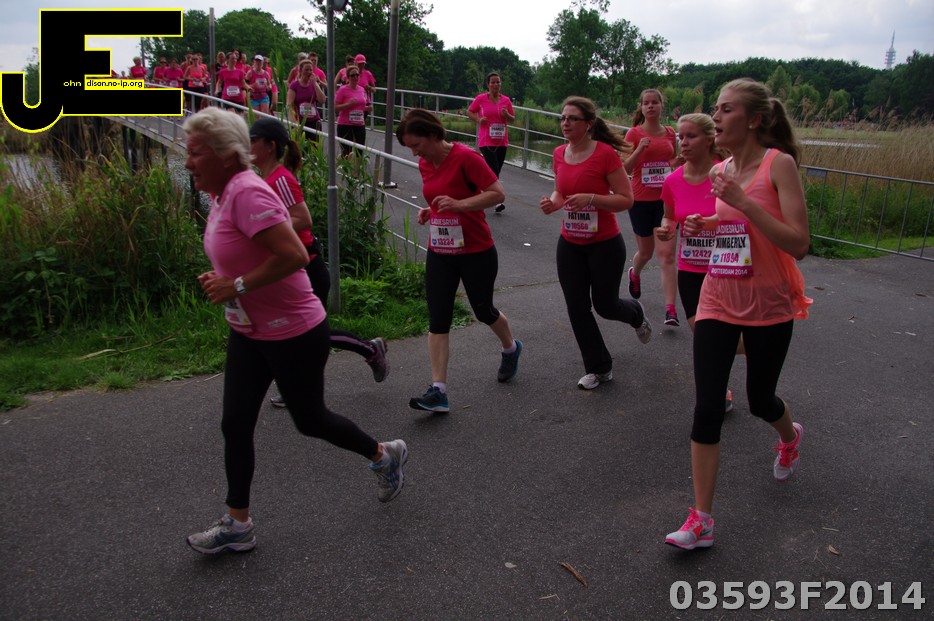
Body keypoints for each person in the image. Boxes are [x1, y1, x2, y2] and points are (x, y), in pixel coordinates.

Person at [182, 108, 407, 555]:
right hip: (248, 329)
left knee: (310, 421)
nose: (187, 162)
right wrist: (224, 279)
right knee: (235, 422)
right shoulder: (222, 193)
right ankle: (238, 523)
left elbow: (294, 255)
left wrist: (236, 285)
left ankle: (385, 455)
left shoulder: (248, 192)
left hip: (294, 331)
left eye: (196, 153)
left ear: (227, 155)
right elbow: (242, 251)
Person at [664, 78, 812, 551]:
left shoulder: (778, 165)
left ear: (754, 119)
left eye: (726, 109)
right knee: (707, 406)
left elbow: (799, 243)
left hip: (768, 302)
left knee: (760, 400)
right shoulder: (721, 169)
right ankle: (701, 519)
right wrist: (705, 223)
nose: (717, 115)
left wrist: (742, 201)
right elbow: (733, 226)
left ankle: (789, 437)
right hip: (718, 297)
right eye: (717, 108)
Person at [247, 116, 390, 409]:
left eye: (252, 140)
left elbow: (303, 218)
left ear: (270, 146)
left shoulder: (280, 178)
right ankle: (296, 384)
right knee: (294, 331)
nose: (247, 145)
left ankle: (369, 350)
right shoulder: (267, 178)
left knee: (311, 334)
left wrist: (264, 226)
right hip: (290, 267)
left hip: (306, 267)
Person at [396, 109, 522, 413]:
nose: (414, 153)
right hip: (441, 251)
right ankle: (438, 391)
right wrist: (432, 210)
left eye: (416, 145)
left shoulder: (467, 158)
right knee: (438, 318)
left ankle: (511, 348)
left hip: (476, 250)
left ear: (433, 135)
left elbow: (497, 193)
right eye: (409, 148)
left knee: (483, 310)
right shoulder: (425, 163)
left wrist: (460, 204)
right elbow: (441, 196)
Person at [539, 96, 652, 390]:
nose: (565, 123)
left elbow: (626, 199)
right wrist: (553, 203)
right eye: (563, 118)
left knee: (605, 305)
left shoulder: (604, 154)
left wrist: (591, 198)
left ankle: (635, 314)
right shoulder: (559, 153)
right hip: (570, 243)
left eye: (572, 118)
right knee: (576, 307)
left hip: (605, 244)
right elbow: (560, 191)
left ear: (588, 124)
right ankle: (599, 368)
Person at [655, 113, 738, 413]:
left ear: (709, 139)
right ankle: (719, 389)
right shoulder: (672, 180)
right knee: (703, 335)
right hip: (690, 270)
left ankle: (761, 349)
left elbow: (742, 215)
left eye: (691, 136)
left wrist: (708, 223)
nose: (684, 142)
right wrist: (666, 229)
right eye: (681, 136)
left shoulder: (726, 174)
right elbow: (669, 216)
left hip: (726, 267)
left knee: (725, 338)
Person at [624, 89, 681, 327]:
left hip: (666, 200)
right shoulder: (634, 133)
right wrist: (639, 149)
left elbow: (671, 164)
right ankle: (635, 273)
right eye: (646, 103)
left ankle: (671, 310)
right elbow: (624, 168)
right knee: (646, 253)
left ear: (661, 106)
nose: (650, 106)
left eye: (654, 102)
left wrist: (677, 163)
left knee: (666, 255)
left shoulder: (670, 133)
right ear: (641, 107)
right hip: (640, 200)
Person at [467, 72, 515, 213]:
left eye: (498, 82)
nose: (496, 85)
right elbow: (469, 112)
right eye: (493, 82)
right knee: (493, 169)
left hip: (501, 141)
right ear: (488, 85)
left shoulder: (506, 100)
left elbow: (512, 119)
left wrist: (507, 115)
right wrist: (478, 120)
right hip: (486, 140)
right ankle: (497, 201)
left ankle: (475, 185)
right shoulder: (481, 99)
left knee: (496, 170)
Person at [334, 67, 370, 158]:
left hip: (359, 124)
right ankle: (342, 164)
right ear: (348, 77)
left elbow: (359, 106)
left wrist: (367, 108)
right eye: (352, 75)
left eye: (357, 75)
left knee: (360, 152)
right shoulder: (342, 89)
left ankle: (357, 167)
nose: (355, 77)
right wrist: (348, 104)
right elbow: (335, 108)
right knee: (347, 152)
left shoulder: (362, 89)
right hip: (345, 124)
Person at [287, 59, 326, 140]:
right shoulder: (294, 85)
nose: (309, 72)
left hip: (314, 120)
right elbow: (289, 104)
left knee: (315, 145)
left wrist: (315, 83)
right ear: (300, 71)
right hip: (300, 121)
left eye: (310, 70)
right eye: (306, 70)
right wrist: (294, 122)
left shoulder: (313, 84)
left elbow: (322, 100)